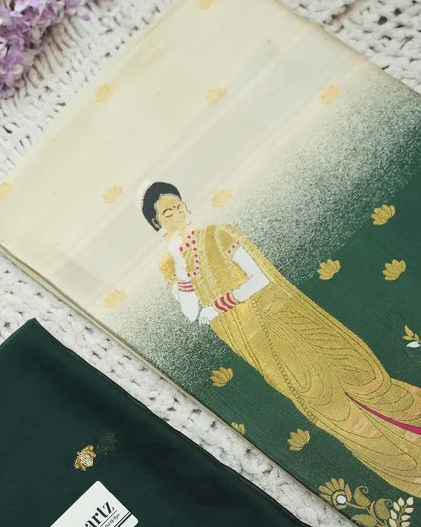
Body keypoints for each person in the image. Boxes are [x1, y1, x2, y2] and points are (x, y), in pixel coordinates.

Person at [138, 180, 421, 497]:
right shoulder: (169, 265)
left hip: (283, 319)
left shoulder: (218, 234)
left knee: (354, 378)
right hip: (252, 343)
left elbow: (258, 278)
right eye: (167, 212)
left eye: (178, 206)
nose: (177, 213)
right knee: (320, 402)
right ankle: (402, 465)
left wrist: (221, 304)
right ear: (156, 224)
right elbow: (193, 313)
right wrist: (180, 265)